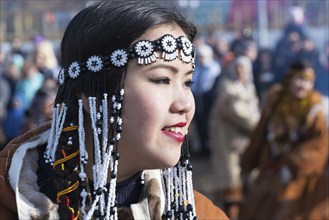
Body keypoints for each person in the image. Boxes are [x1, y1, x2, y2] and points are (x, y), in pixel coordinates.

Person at [0, 1, 228, 219]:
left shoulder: (202, 213)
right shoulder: (9, 201)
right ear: (92, 94)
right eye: (162, 79)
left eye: (188, 82)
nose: (185, 104)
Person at [240, 60, 329, 220]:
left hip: (301, 174)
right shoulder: (275, 101)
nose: (303, 85)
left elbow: (320, 144)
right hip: (271, 166)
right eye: (300, 79)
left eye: (309, 81)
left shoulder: (314, 108)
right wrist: (248, 161)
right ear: (289, 79)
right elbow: (260, 135)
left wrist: (293, 162)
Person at [209, 56, 260, 219]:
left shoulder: (249, 88)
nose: (240, 72)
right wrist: (261, 128)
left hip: (245, 140)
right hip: (227, 141)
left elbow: (253, 112)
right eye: (237, 68)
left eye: (243, 69)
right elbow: (240, 115)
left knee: (247, 179)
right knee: (230, 180)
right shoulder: (228, 88)